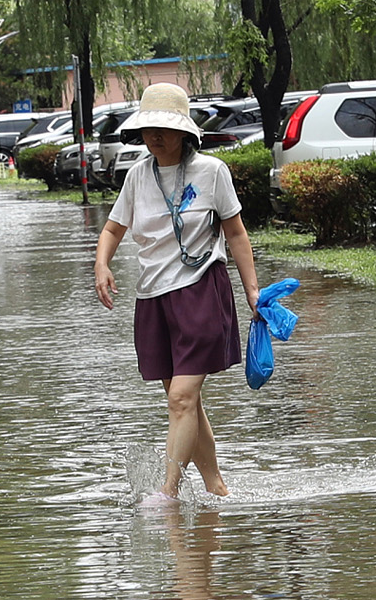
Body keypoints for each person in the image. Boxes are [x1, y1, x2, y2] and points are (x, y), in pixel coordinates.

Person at [94, 83, 261, 503]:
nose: (156, 137)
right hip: (153, 299)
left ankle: (167, 492)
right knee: (184, 400)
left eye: (164, 129)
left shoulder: (212, 172)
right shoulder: (137, 176)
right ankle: (215, 485)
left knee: (181, 397)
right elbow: (114, 228)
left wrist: (252, 293)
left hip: (201, 292)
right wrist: (102, 264)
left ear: (185, 133)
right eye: (149, 129)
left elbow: (237, 235)